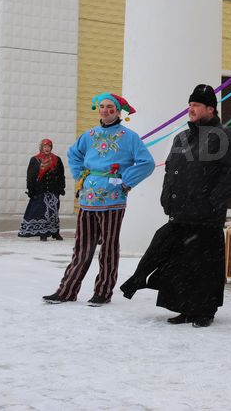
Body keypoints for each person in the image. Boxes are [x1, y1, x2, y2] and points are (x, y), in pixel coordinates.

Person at [119, 84, 231, 327]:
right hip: (180, 212)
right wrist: (166, 197)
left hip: (207, 216)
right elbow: (170, 170)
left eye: (196, 105)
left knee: (204, 264)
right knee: (180, 262)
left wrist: (213, 200)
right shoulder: (182, 137)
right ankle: (184, 307)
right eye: (189, 105)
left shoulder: (227, 136)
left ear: (210, 108)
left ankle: (204, 310)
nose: (191, 109)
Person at [43, 93, 155, 306]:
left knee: (109, 247)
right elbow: (73, 154)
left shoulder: (129, 137)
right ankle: (67, 290)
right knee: (82, 247)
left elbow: (146, 163)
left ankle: (103, 292)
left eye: (109, 107)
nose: (105, 110)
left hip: (113, 199)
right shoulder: (89, 135)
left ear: (118, 110)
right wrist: (81, 176)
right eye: (101, 106)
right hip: (88, 199)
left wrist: (125, 182)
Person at [19, 139, 66, 241]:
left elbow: (61, 175)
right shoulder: (35, 160)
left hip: (53, 190)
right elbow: (31, 176)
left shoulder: (57, 159)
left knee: (54, 212)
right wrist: (30, 189)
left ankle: (55, 232)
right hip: (40, 190)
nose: (47, 149)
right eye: (45, 147)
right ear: (41, 148)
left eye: (48, 147)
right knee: (41, 212)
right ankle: (43, 233)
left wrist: (61, 187)